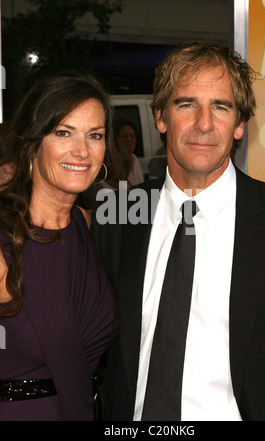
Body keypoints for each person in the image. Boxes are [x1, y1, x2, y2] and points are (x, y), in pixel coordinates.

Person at [91, 41, 265, 421]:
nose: (204, 124)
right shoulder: (118, 214)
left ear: (239, 125)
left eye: (221, 107)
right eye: (186, 104)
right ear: (161, 117)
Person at [0, 72, 118, 421]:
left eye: (94, 136)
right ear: (32, 143)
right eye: (63, 133)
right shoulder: (4, 244)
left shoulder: (90, 227)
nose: (81, 151)